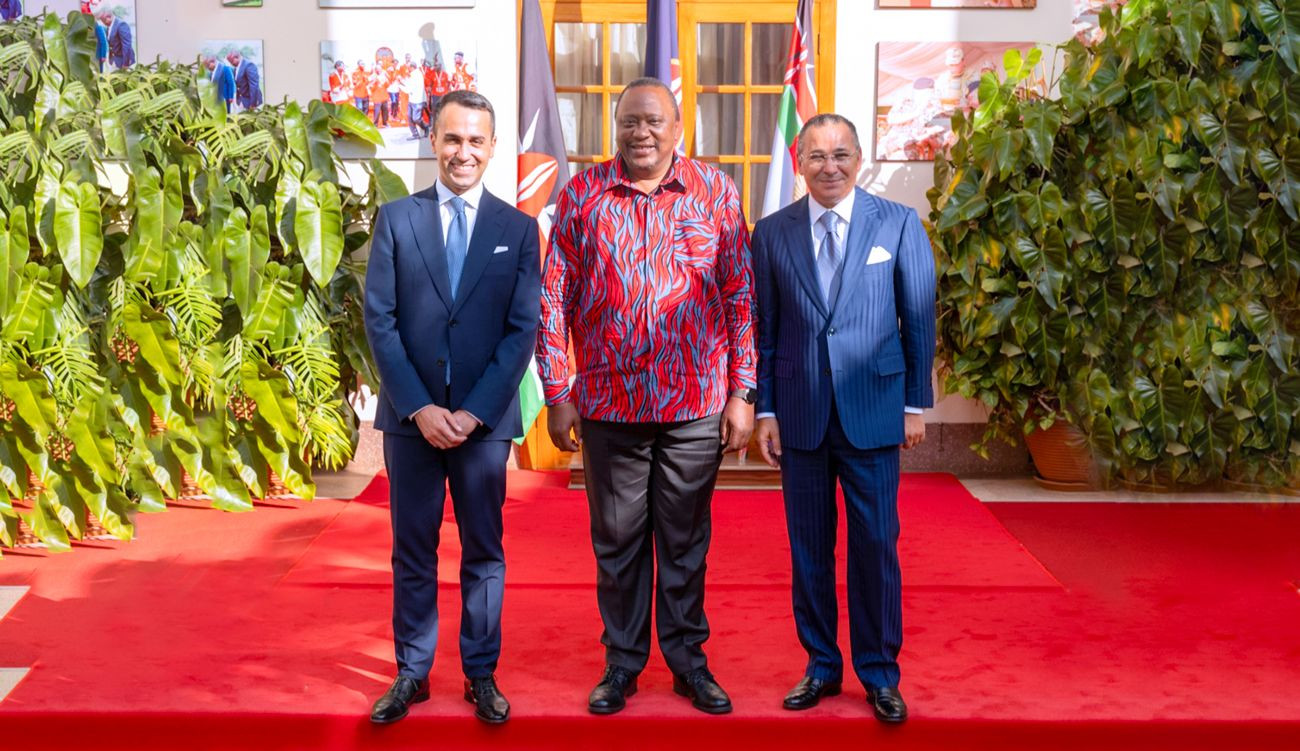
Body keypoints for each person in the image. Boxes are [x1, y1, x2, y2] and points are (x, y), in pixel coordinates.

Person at [538, 76, 756, 716]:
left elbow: (741, 296)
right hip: (609, 405)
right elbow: (553, 299)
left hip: (695, 405)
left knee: (685, 544)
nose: (642, 133)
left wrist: (743, 391)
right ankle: (622, 664)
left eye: (654, 121)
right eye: (630, 121)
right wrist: (557, 390)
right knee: (618, 544)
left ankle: (689, 663)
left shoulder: (715, 191)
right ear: (615, 127)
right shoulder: (581, 194)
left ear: (677, 127)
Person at [363, 90, 541, 727]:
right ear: (434, 141)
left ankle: (481, 673)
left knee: (483, 551)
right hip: (410, 422)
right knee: (412, 549)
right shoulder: (396, 220)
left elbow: (521, 330)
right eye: (452, 139)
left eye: (475, 141)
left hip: (482, 426)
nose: (463, 152)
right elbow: (380, 321)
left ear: (491, 148)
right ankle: (411, 672)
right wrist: (418, 407)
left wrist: (472, 412)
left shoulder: (519, 229)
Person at [751, 113, 935, 724]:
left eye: (840, 155)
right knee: (809, 549)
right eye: (816, 156)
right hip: (799, 414)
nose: (829, 167)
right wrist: (766, 409)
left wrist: (914, 404)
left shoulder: (898, 223)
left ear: (859, 159)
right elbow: (766, 328)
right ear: (799, 162)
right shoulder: (771, 232)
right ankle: (821, 666)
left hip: (874, 413)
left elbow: (918, 315)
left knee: (876, 545)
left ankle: (880, 673)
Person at [403, 63, 428, 141]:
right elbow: (408, 85)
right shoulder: (414, 74)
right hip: (412, 100)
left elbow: (408, 90)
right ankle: (415, 134)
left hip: (417, 101)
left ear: (412, 67)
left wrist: (400, 85)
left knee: (416, 118)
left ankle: (425, 127)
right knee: (410, 117)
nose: (407, 69)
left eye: (408, 67)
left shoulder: (416, 75)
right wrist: (402, 81)